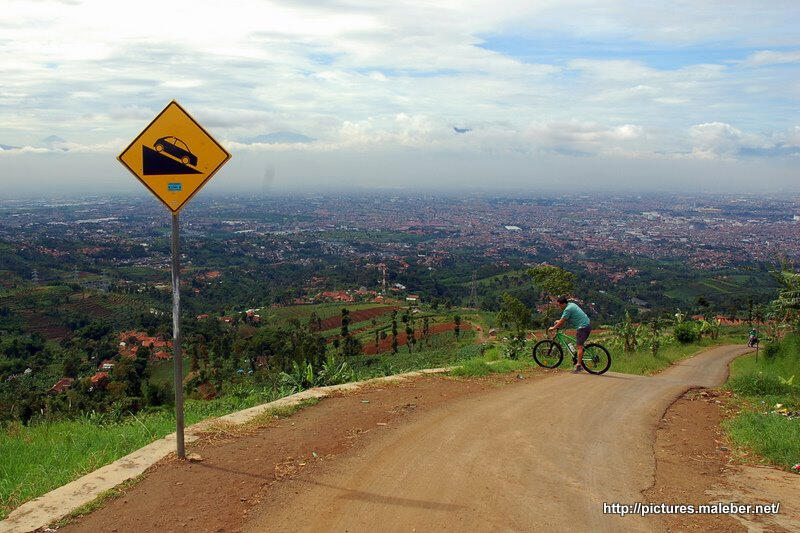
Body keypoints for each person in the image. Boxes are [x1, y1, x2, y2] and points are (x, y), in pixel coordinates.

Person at [549, 296, 591, 373]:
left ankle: (579, 366)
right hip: (587, 325)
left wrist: (553, 328)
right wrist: (559, 321)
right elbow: (564, 319)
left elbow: (562, 321)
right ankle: (578, 359)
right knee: (579, 345)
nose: (559, 307)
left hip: (582, 327)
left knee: (579, 347)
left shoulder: (567, 309)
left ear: (564, 303)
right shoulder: (571, 304)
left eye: (559, 305)